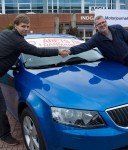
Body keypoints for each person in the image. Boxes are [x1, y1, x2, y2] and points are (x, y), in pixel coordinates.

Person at [0, 14, 68, 146]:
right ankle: (4, 135)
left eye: (28, 26)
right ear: (16, 26)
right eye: (23, 26)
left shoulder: (6, 34)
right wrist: (58, 51)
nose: (26, 28)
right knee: (1, 109)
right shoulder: (18, 41)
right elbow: (38, 52)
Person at [64, 15, 128, 69]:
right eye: (99, 24)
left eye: (103, 22)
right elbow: (85, 46)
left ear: (106, 22)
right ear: (96, 27)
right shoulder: (96, 39)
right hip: (114, 64)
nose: (102, 25)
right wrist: (70, 51)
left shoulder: (118, 28)